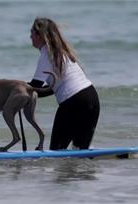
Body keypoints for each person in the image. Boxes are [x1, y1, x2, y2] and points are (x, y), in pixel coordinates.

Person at [28, 17, 100, 150]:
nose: (30, 35)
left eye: (32, 32)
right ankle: (84, 171)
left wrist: (11, 89)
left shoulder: (46, 55)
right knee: (79, 152)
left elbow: (34, 89)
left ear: (40, 35)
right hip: (92, 98)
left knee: (57, 152)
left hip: (74, 103)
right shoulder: (63, 53)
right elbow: (51, 89)